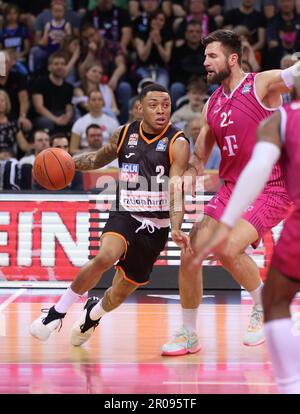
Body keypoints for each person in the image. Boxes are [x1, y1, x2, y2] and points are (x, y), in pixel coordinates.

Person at [161, 29, 294, 356]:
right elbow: (199, 157)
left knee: (227, 247)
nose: (205, 62)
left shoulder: (261, 84)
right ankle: (189, 333)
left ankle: (265, 304)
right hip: (233, 188)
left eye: (212, 56)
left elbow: (292, 74)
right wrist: (187, 173)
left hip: (273, 186)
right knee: (192, 247)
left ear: (232, 59)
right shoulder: (213, 104)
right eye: (205, 56)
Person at [29, 83, 190, 346]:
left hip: (156, 226)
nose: (161, 110)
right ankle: (56, 313)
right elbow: (95, 159)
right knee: (106, 255)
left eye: (166, 105)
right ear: (139, 108)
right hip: (125, 212)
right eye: (154, 105)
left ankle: (94, 313)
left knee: (120, 291)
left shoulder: (177, 142)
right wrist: (66, 161)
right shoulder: (123, 133)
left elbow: (176, 187)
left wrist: (175, 225)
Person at [190, 72, 300, 394]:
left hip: (286, 206)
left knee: (276, 301)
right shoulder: (275, 118)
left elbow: (255, 174)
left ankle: (290, 385)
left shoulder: (280, 120)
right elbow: (252, 175)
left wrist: (227, 223)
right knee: (272, 299)